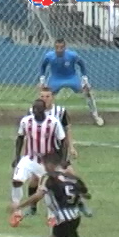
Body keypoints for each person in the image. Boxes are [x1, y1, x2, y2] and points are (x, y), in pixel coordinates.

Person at [24, 89, 93, 218]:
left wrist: (71, 146)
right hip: (39, 152)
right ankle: (32, 207)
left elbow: (67, 130)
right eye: (42, 96)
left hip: (57, 151)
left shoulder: (60, 112)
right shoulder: (32, 111)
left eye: (48, 96)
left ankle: (81, 204)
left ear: (53, 97)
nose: (45, 98)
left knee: (70, 175)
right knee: (35, 179)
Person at [10, 99, 66, 228]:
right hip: (29, 158)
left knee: (48, 189)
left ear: (44, 109)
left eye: (39, 109)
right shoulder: (26, 121)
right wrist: (17, 156)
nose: (36, 112)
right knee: (16, 180)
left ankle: (52, 216)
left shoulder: (53, 123)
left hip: (47, 161)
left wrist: (62, 159)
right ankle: (16, 211)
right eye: (34, 109)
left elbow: (63, 141)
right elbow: (20, 138)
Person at [39, 39, 103, 126]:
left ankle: (95, 115)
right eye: (57, 47)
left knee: (87, 91)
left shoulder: (72, 55)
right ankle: (44, 116)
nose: (59, 50)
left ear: (65, 48)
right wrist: (42, 81)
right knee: (45, 94)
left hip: (71, 77)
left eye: (61, 47)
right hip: (56, 78)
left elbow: (82, 64)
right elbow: (43, 66)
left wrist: (85, 80)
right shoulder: (49, 56)